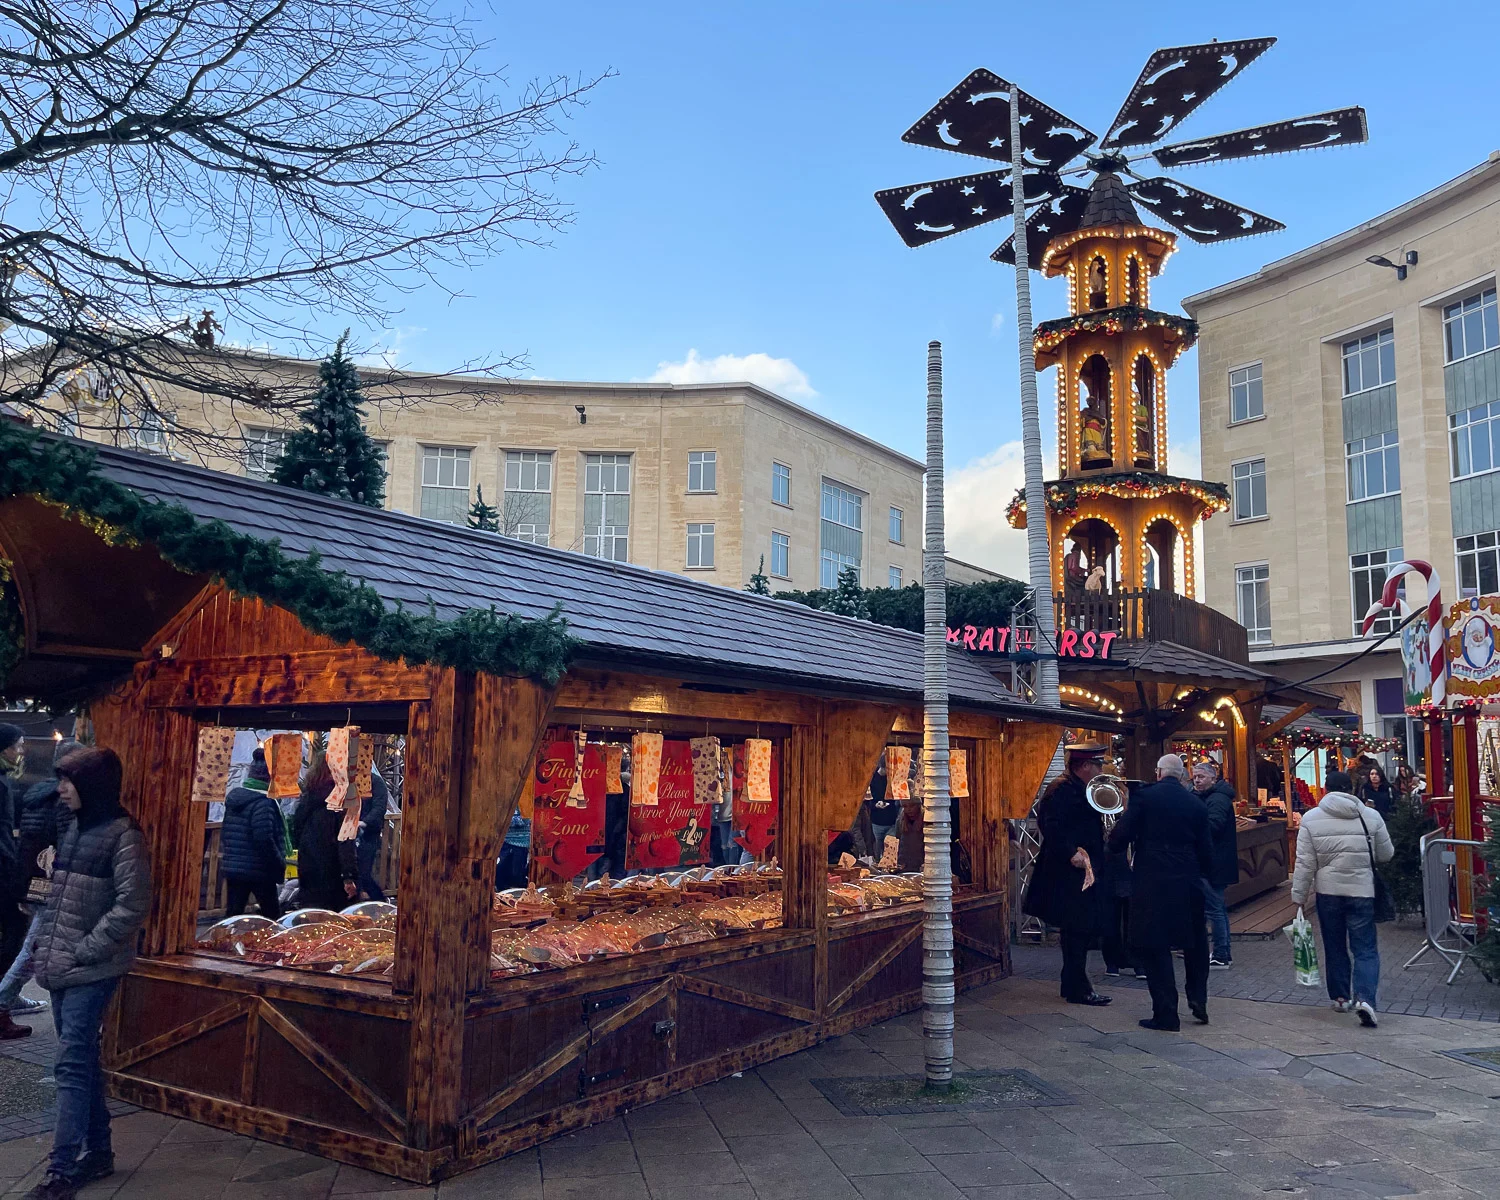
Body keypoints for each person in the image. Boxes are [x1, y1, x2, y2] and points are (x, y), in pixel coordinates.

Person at [27, 747, 150, 1200]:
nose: (60, 789)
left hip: (91, 967)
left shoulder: (124, 835)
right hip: (61, 964)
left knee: (71, 1064)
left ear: (91, 785)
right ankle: (98, 1151)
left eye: (68, 781)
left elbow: (132, 903)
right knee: (81, 1061)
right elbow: (57, 892)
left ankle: (60, 1169)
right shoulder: (76, 827)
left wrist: (86, 949)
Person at [1109, 753, 1213, 1031]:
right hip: (1188, 880)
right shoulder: (1196, 804)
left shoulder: (1145, 797)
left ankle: (1166, 1013)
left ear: (1158, 773)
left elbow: (1123, 834)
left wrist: (1113, 847)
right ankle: (1198, 997)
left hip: (1153, 881)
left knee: (1155, 946)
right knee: (1195, 942)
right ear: (1181, 776)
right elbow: (1206, 851)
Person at [1290, 769, 1394, 1028]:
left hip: (1329, 892)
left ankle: (1340, 997)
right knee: (1366, 949)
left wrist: (1299, 897)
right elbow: (1386, 854)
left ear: (1325, 788)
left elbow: (1304, 863)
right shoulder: (1370, 816)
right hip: (1362, 891)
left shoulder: (1311, 819)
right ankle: (1366, 998)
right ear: (1351, 789)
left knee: (1335, 945)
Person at [1022, 744, 1111, 1006]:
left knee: (1078, 930)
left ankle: (1072, 983)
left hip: (1080, 870)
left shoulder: (1077, 787)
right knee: (1077, 929)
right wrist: (1071, 853)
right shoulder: (1061, 789)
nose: (1100, 770)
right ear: (1084, 766)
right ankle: (1078, 988)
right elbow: (1051, 825)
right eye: (1097, 765)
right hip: (1069, 872)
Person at [0, 739, 77, 1022]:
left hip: (32, 878)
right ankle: (3, 999)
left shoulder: (35, 794)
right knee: (34, 947)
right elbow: (68, 843)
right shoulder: (65, 800)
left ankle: (7, 998)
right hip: (54, 881)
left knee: (35, 944)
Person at [220, 749, 286, 919]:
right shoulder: (264, 803)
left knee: (233, 915)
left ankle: (225, 943)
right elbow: (263, 837)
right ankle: (270, 945)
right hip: (260, 869)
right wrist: (278, 862)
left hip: (235, 866)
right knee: (271, 916)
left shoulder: (235, 799)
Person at [290, 754, 358, 912]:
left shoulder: (306, 800)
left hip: (308, 867)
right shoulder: (340, 803)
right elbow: (345, 841)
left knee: (312, 917)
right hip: (334, 871)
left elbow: (297, 832)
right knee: (336, 922)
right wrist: (349, 876)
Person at [1190, 759, 1238, 970]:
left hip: (1213, 863)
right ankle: (1221, 951)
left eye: (1201, 777)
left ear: (1213, 777)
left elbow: (1213, 826)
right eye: (1195, 777)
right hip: (1214, 862)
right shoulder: (1209, 797)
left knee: (1214, 909)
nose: (1197, 781)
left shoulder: (1217, 799)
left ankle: (1221, 953)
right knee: (1216, 908)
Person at [0, 723, 29, 1039]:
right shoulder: (2, 785)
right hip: (3, 870)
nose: (20, 752)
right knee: (16, 933)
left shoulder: (6, 782)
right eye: (17, 746)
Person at [356, 770, 389, 901]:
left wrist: (364, 822)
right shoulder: (349, 780)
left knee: (363, 873)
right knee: (356, 875)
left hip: (368, 835)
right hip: (350, 834)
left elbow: (379, 807)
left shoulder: (376, 782)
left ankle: (380, 902)